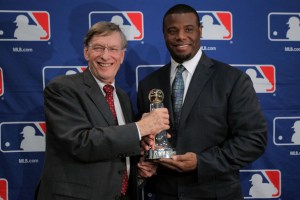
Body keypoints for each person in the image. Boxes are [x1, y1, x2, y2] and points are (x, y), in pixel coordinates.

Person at [137, 4, 267, 200]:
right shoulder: (149, 83)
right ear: (164, 35)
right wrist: (145, 150)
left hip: (215, 192)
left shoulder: (232, 79)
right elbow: (144, 135)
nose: (181, 36)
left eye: (188, 29)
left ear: (200, 31)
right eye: (173, 31)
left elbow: (253, 140)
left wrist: (201, 162)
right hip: (164, 192)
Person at [35, 21, 170, 200]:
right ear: (86, 52)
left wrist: (139, 167)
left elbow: (116, 147)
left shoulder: (121, 97)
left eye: (113, 49)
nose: (106, 56)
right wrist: (140, 128)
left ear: (122, 56)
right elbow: (80, 143)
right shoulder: (62, 88)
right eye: (98, 48)